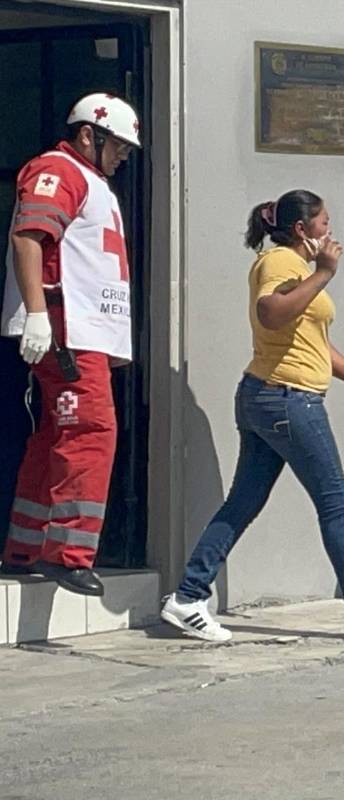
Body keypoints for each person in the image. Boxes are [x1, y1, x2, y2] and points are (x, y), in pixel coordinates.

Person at [159, 190, 344, 642]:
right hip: (288, 399)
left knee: (244, 501)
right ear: (302, 230)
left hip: (269, 395)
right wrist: (324, 273)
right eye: (324, 223)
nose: (331, 231)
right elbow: (271, 314)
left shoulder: (295, 268)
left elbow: (309, 340)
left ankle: (188, 596)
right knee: (335, 499)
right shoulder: (282, 262)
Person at [0, 93, 142, 596]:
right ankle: (68, 553)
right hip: (68, 331)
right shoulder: (60, 171)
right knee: (90, 432)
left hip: (81, 332)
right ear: (89, 135)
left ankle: (25, 545)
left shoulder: (89, 180)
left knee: (57, 437)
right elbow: (28, 237)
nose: (123, 156)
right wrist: (38, 314)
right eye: (118, 146)